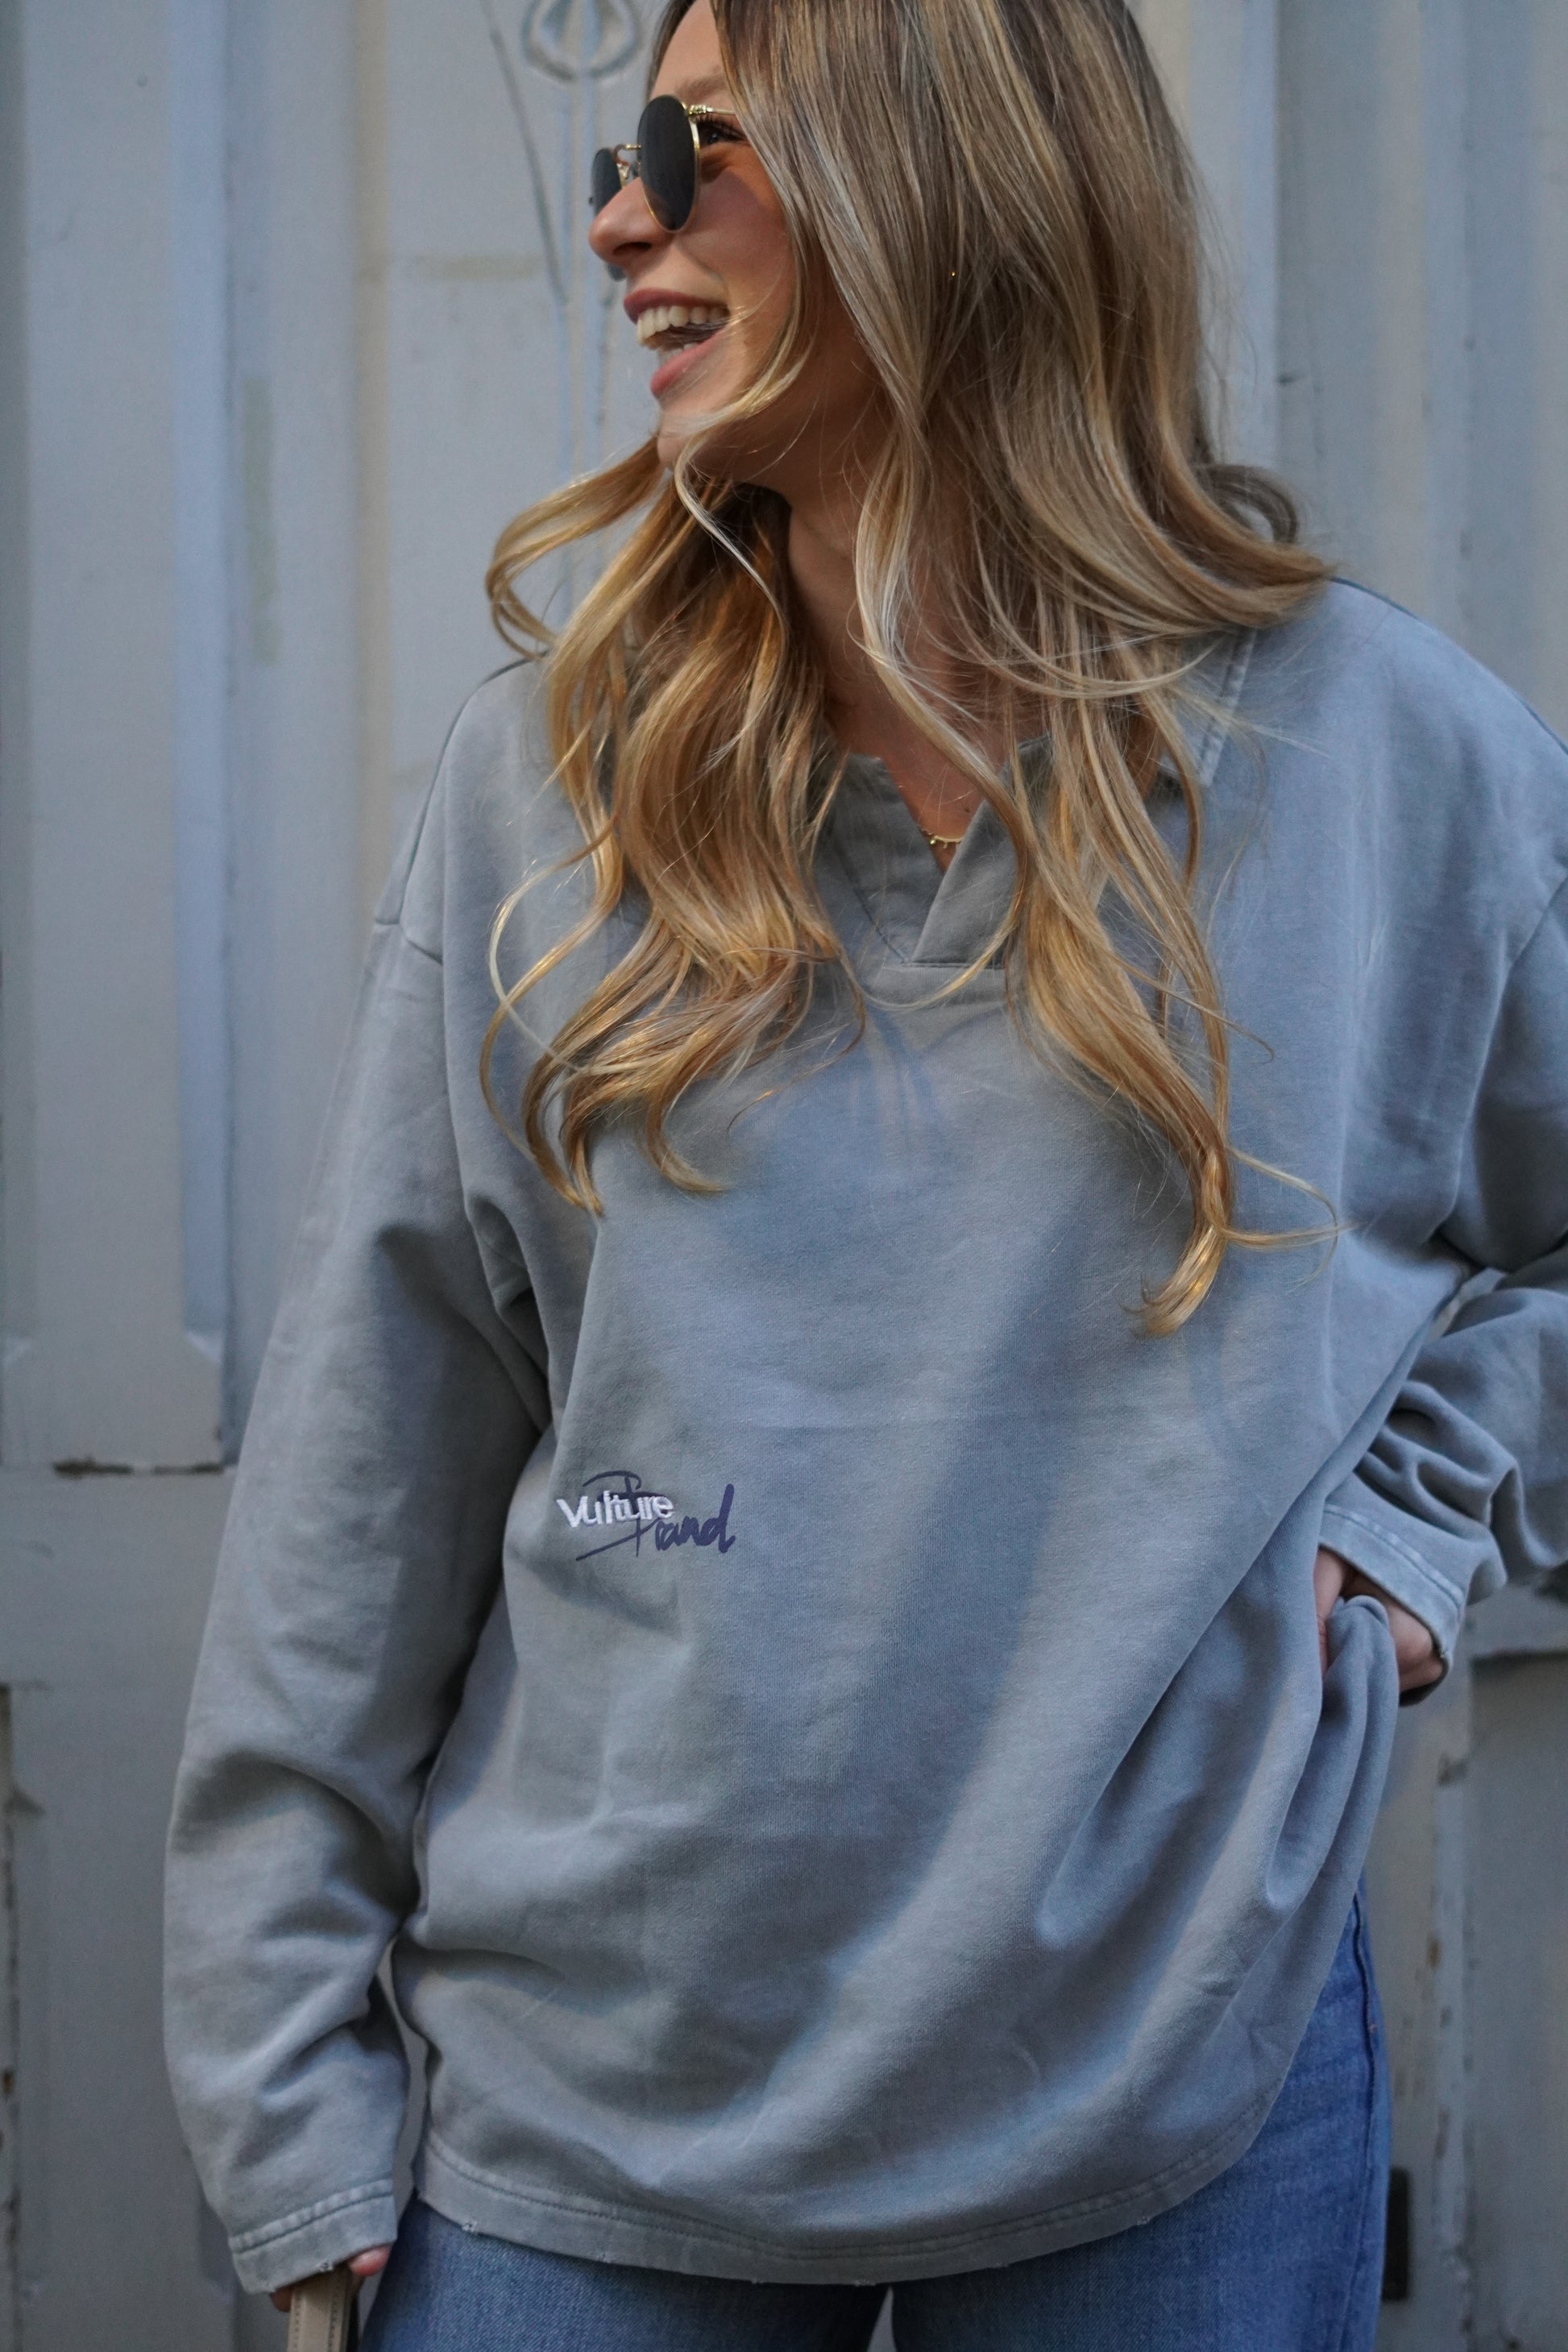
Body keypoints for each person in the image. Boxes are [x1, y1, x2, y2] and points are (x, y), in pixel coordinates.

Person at [164, 2, 1568, 2346]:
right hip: (588, 2133)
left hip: (1173, 2089)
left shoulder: (1375, 752)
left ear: (955, 182)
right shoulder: (552, 784)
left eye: (698, 146)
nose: (616, 218)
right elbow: (366, 1461)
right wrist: (282, 2082)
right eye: (618, 157)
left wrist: (1416, 1529)